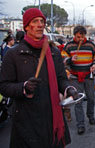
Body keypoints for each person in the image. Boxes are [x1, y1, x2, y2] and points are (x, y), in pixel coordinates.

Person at [0, 8, 79, 147]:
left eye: (42, 21)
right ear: (26, 26)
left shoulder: (53, 52)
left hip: (52, 118)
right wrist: (23, 88)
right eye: (35, 21)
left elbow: (61, 78)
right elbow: (4, 86)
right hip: (26, 121)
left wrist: (69, 89)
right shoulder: (13, 54)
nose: (40, 24)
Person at [64, 25, 95, 135]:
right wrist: (70, 59)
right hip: (75, 77)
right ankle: (80, 124)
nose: (80, 39)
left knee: (91, 98)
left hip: (88, 76)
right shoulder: (69, 45)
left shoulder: (90, 45)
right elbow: (63, 58)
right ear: (74, 35)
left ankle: (90, 115)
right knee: (78, 100)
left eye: (82, 36)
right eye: (78, 37)